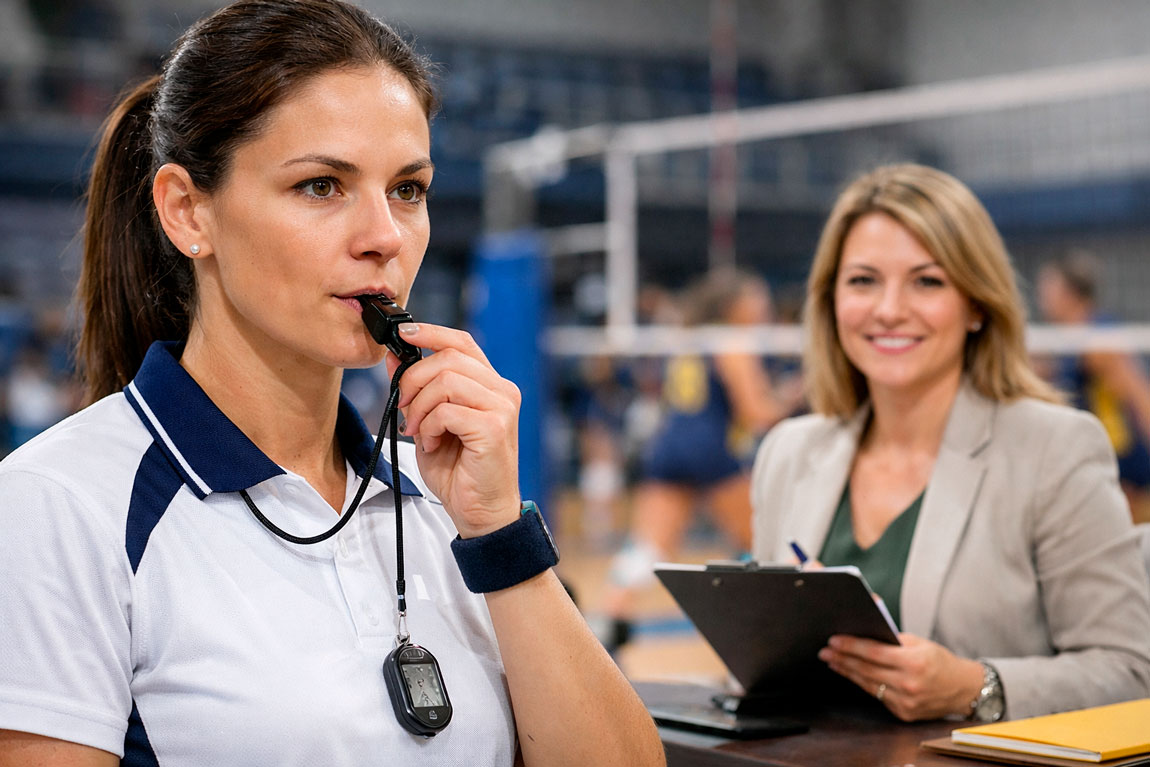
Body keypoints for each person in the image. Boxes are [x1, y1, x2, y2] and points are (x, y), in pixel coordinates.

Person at [0, 2, 665, 765]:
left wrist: (499, 532)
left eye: (408, 189)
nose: (384, 236)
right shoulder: (59, 503)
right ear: (189, 211)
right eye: (322, 186)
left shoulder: (444, 500)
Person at [751, 164, 1150, 723]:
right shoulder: (788, 453)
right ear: (831, 300)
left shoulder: (1054, 449)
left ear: (977, 304)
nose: (889, 309)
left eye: (927, 281)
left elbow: (1130, 673)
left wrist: (976, 686)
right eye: (863, 280)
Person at [600, 269, 800, 650]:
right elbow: (757, 413)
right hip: (709, 450)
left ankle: (608, 626)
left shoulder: (690, 340)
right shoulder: (733, 342)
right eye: (755, 297)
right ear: (734, 305)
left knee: (646, 548)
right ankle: (767, 640)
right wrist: (791, 396)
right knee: (763, 547)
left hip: (669, 445)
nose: (763, 304)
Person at [1036, 251, 1150, 524]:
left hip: (1122, 464)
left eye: (1048, 287)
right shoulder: (1066, 340)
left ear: (1070, 294)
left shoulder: (1099, 343)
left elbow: (1139, 393)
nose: (1042, 296)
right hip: (1094, 461)